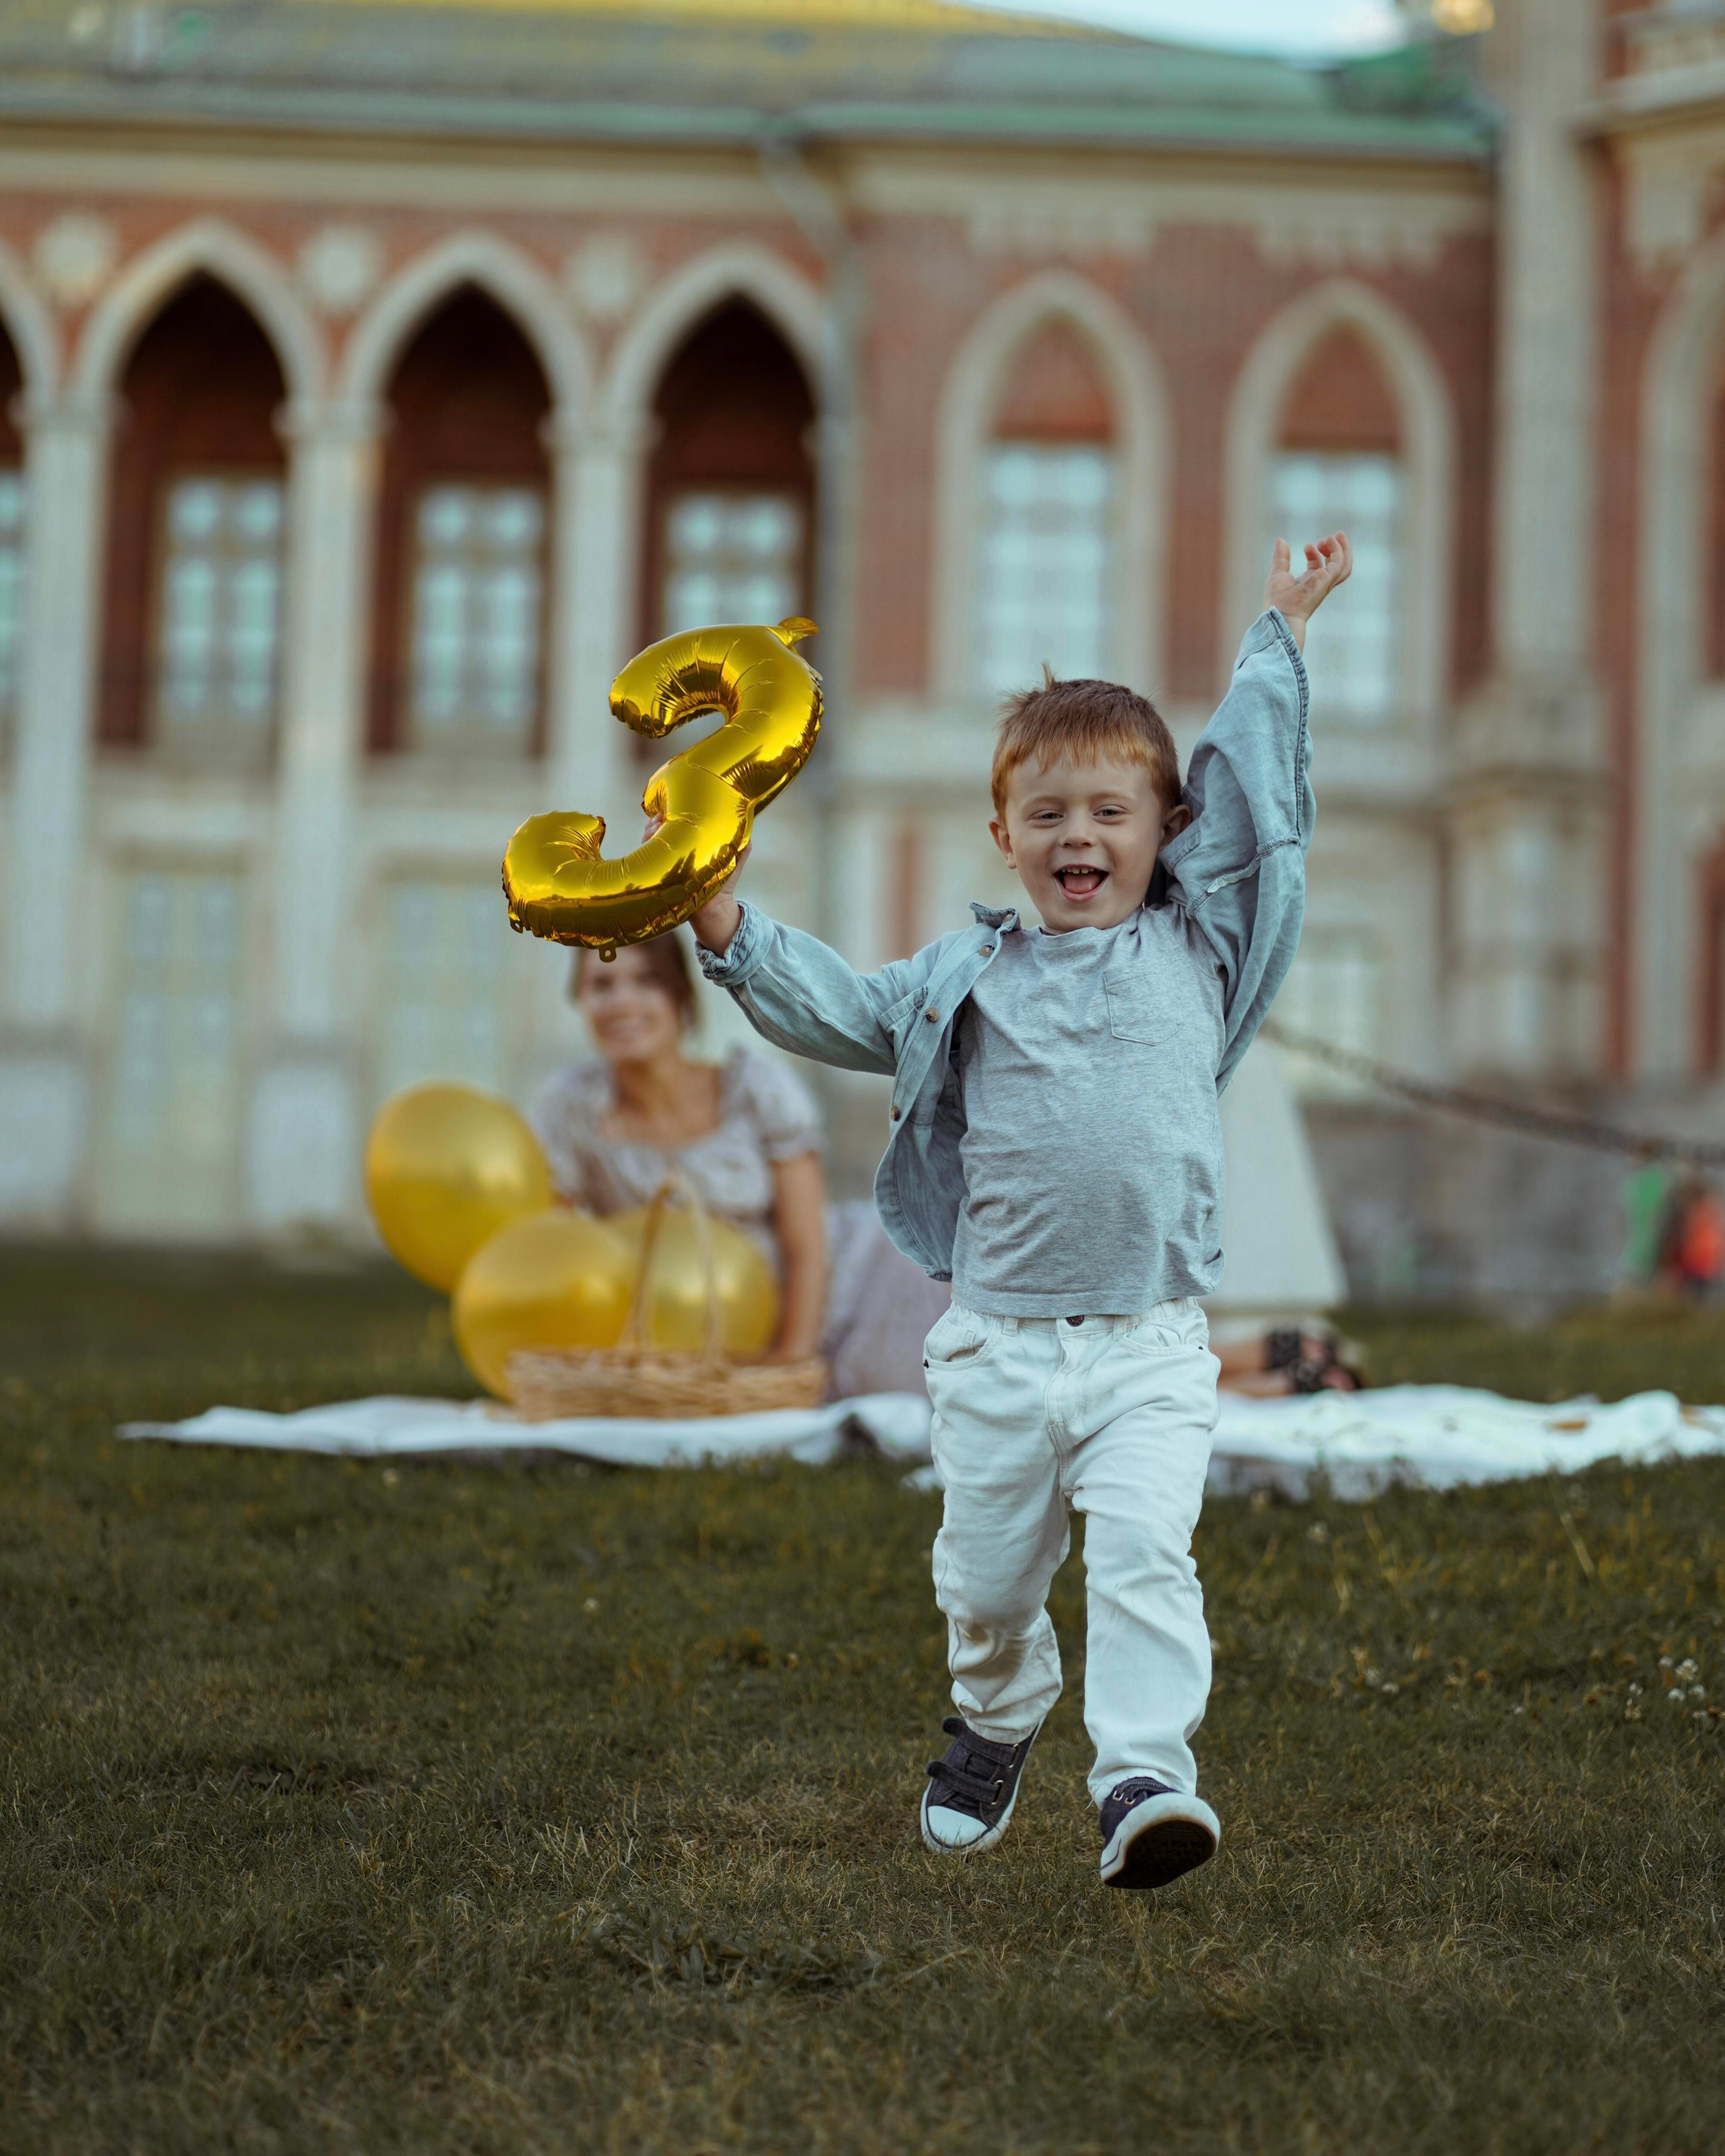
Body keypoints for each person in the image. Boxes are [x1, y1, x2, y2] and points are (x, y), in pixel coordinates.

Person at [687, 530, 1352, 1893]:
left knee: (1144, 1557)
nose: (1078, 836)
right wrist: (724, 931)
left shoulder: (1198, 948)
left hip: (1151, 1345)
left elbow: (1250, 801)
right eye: (1046, 813)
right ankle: (994, 1717)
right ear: (1001, 836)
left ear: (1164, 834)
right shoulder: (963, 977)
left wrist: (1277, 625)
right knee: (986, 1584)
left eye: (1111, 812)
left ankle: (1141, 1776)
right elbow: (842, 1007)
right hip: (993, 1348)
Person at [531, 934, 949, 1395]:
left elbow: (805, 1243)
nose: (622, 1002)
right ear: (581, 1000)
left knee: (914, 1394)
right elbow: (557, 1248)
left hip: (839, 1289)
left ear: (679, 995)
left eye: (646, 981)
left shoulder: (754, 1088)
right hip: (699, 1328)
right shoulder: (571, 1106)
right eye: (602, 985)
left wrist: (791, 1362)